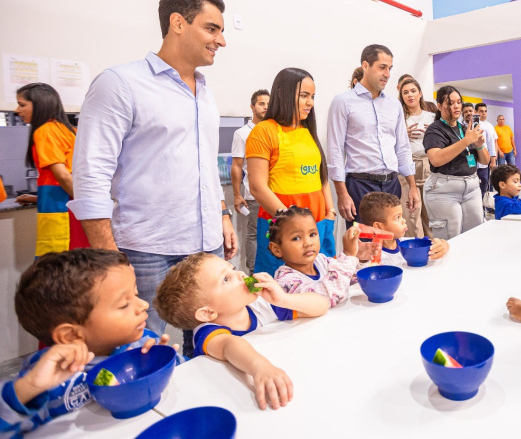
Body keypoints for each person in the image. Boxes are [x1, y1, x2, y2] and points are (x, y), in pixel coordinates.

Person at [69, 0, 237, 343]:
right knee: (141, 346)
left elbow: (205, 166)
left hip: (207, 245)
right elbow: (90, 175)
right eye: (212, 28)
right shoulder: (121, 84)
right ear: (177, 23)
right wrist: (108, 257)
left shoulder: (205, 93)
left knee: (215, 338)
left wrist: (222, 214)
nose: (221, 40)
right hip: (147, 249)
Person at [1, 249, 174, 435]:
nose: (144, 305)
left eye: (136, 294)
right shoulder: (46, 378)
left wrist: (160, 363)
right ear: (71, 335)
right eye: (124, 304)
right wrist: (28, 388)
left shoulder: (143, 343)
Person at [154, 252, 329, 409]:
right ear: (208, 313)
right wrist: (260, 367)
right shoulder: (206, 332)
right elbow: (230, 344)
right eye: (226, 279)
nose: (241, 274)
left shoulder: (262, 305)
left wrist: (283, 299)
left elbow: (322, 305)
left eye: (233, 269)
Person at [247, 68, 336, 275]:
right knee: (281, 285)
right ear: (283, 95)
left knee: (321, 277)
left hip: (318, 221)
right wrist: (289, 222)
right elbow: (257, 187)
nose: (310, 103)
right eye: (304, 96)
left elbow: (320, 175)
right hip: (282, 224)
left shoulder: (307, 131)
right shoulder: (264, 131)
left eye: (312, 97)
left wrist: (330, 211)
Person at [327, 44, 418, 227]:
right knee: (364, 247)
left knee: (391, 243)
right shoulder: (343, 102)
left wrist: (413, 186)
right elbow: (335, 150)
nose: (387, 74)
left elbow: (402, 147)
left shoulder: (394, 105)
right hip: (360, 186)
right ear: (366, 66)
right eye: (382, 67)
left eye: (390, 68)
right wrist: (342, 193)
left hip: (392, 184)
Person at [14, 83, 89, 256]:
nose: (18, 110)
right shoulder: (70, 130)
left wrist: (85, 204)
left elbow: (63, 176)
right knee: (79, 263)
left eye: (22, 104)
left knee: (57, 268)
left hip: (62, 212)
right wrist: (37, 198)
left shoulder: (45, 131)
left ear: (40, 104)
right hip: (71, 208)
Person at [422, 86, 488, 239]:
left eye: (459, 102)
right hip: (445, 190)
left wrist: (478, 145)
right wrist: (466, 141)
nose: (456, 106)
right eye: (450, 103)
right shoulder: (435, 130)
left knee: (475, 233)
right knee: (450, 237)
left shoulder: (465, 129)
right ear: (439, 106)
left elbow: (484, 160)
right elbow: (436, 159)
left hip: (471, 187)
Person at [271, 208, 373, 305]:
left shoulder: (322, 260)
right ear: (276, 249)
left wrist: (359, 259)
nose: (308, 243)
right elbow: (327, 298)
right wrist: (348, 255)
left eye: (312, 234)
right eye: (296, 238)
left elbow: (347, 279)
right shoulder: (286, 281)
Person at [231, 89, 269, 275]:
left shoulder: (273, 130)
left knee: (274, 232)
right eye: (262, 104)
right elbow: (237, 166)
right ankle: (253, 272)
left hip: (275, 193)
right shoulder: (242, 134)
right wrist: (237, 195)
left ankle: (271, 271)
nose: (266, 107)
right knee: (254, 234)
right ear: (252, 107)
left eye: (268, 104)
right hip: (253, 194)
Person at [359, 192, 449, 265]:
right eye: (397, 217)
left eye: (402, 216)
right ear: (378, 226)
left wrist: (443, 245)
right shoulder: (367, 256)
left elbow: (436, 243)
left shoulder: (409, 243)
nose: (404, 221)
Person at [398, 77, 435, 238]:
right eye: (405, 92)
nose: (410, 95)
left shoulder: (432, 116)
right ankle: (415, 245)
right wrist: (401, 134)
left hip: (429, 165)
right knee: (411, 212)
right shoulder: (399, 118)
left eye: (413, 91)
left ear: (420, 93)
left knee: (430, 212)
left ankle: (433, 246)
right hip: (407, 168)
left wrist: (433, 133)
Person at [474, 103, 498, 200]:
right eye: (481, 111)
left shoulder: (489, 126)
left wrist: (493, 161)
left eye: (485, 111)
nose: (484, 113)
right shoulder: (473, 124)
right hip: (473, 160)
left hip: (484, 160)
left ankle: (484, 206)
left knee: (485, 183)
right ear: (476, 112)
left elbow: (492, 144)